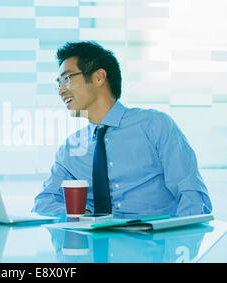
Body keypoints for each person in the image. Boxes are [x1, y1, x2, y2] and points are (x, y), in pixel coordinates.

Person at [32, 41, 212, 216]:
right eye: (59, 83)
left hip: (155, 242)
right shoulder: (71, 148)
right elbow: (43, 203)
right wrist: (79, 213)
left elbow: (193, 199)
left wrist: (178, 242)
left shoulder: (155, 125)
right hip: (95, 245)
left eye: (67, 79)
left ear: (99, 77)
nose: (61, 91)